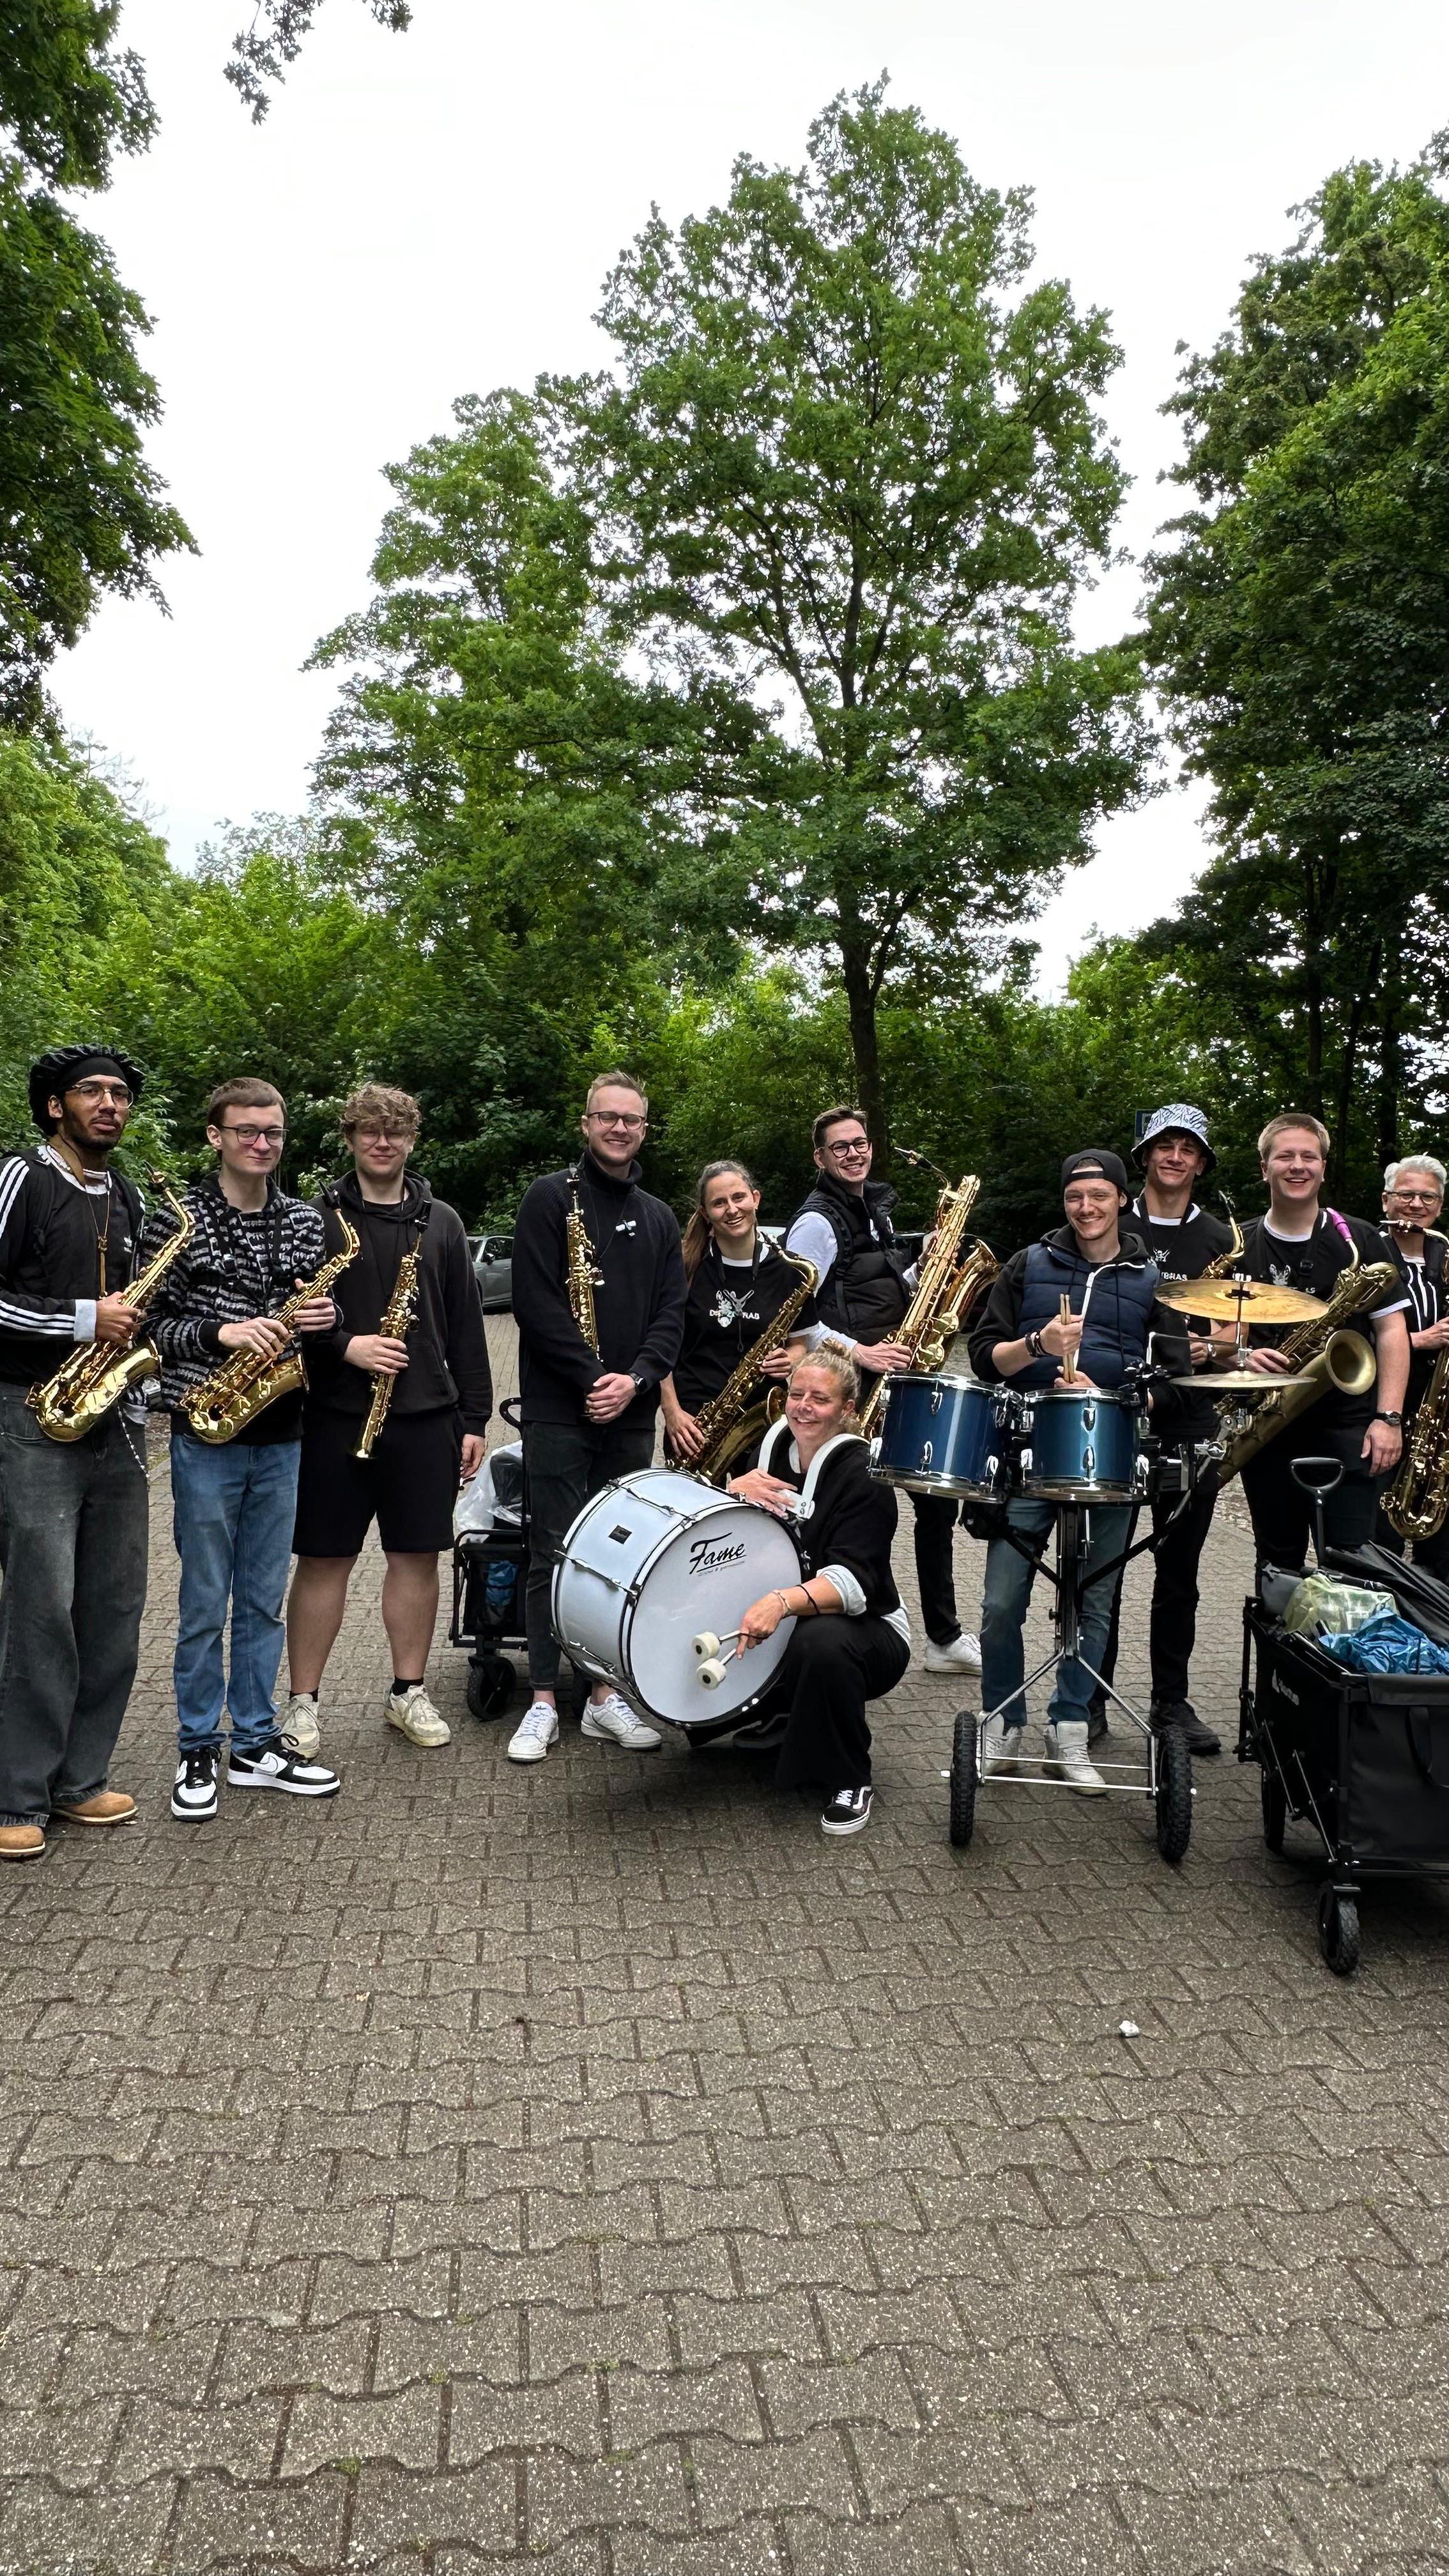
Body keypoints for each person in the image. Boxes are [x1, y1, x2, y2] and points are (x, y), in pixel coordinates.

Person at [144, 1078, 344, 1821]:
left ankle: (255, 1740)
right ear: (215, 1136)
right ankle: (197, 1742)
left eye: (275, 1132)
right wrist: (221, 1334)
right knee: (203, 1602)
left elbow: (314, 1315)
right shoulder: (180, 1220)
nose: (263, 1143)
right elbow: (143, 1326)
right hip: (207, 1432)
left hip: (282, 1431)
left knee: (262, 1601)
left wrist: (323, 1317)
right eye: (248, 1131)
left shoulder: (301, 1219)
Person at [968, 1149, 1190, 1792]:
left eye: (1098, 1196)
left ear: (1123, 1199)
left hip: (1111, 1452)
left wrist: (1122, 1395)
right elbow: (984, 1360)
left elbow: (1176, 1381)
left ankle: (1069, 1726)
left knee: (1094, 1603)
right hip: (1028, 1450)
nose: (1086, 1209)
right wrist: (1040, 1345)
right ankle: (1003, 1721)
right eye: (1074, 1198)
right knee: (1000, 1603)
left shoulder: (1152, 1278)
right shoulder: (1027, 1265)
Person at [283, 1084, 493, 1757]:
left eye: (395, 1132)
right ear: (350, 1137)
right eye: (370, 1131)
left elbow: (467, 1324)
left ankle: (407, 1691)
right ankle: (302, 1704)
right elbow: (291, 1315)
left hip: (425, 1416)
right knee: (323, 1561)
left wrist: (475, 1418)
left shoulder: (443, 1221)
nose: (383, 1142)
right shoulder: (313, 1218)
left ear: (411, 1140)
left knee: (415, 1558)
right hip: (334, 1413)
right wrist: (347, 1345)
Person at [507, 1070, 687, 1763]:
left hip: (630, 1411)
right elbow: (534, 1302)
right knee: (550, 1549)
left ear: (643, 1128)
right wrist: (592, 1380)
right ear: (585, 1124)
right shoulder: (550, 1198)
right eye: (606, 1117)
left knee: (617, 1555)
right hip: (560, 1407)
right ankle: (545, 1700)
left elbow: (672, 1314)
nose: (619, 1129)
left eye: (631, 1120)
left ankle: (605, 1697)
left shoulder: (661, 1215)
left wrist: (636, 1379)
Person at [0, 1046, 150, 1861]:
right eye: (92, 1092)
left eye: (121, 1094)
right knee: (39, 1611)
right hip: (29, 1415)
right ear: (55, 1105)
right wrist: (81, 1321)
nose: (110, 1105)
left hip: (114, 1416)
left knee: (114, 1607)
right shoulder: (22, 1177)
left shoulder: (122, 1193)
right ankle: (15, 1793)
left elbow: (132, 1308)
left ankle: (80, 1779)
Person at [785, 1106, 982, 1678]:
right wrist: (859, 1352)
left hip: (895, 1375)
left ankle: (942, 1638)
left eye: (861, 1143)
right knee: (852, 1506)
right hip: (856, 1385)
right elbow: (797, 1316)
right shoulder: (816, 1223)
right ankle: (849, 1619)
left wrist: (931, 1265)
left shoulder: (873, 1208)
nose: (854, 1153)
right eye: (840, 1147)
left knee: (936, 1498)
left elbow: (877, 1282)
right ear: (820, 1157)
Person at [1093, 1103, 1235, 1759]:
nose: (1176, 1157)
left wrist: (1218, 1349)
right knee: (1102, 1568)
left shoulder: (1219, 1237)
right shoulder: (1108, 1225)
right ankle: (1088, 1694)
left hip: (1192, 1417)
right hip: (1121, 1415)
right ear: (1146, 1155)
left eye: (1189, 1149)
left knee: (1180, 1571)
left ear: (1201, 1162)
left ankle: (1170, 1702)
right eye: (1164, 1146)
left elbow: (1239, 1327)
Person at [728, 1344, 910, 1837]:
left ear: (848, 1409)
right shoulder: (767, 1452)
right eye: (797, 1394)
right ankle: (779, 1720)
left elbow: (853, 1584)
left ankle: (850, 1776)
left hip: (869, 1629)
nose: (804, 1407)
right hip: (791, 1612)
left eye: (821, 1399)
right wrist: (730, 1492)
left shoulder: (866, 1475)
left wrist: (781, 1602)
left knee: (822, 1643)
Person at [1235, 1114, 1409, 1569]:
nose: (1298, 1166)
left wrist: (1389, 1419)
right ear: (1264, 1167)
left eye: (1309, 1156)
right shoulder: (1241, 1244)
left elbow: (1393, 1333)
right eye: (1285, 1156)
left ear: (1323, 1168)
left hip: (1350, 1430)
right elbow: (1220, 1335)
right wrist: (1244, 1355)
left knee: (1353, 1568)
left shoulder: (1362, 1239)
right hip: (1268, 1428)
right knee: (1277, 1567)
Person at [659, 1160, 815, 1468]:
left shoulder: (792, 1271)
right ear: (705, 1213)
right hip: (694, 1424)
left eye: (739, 1197)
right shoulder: (684, 1266)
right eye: (719, 1203)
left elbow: (800, 1343)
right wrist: (672, 1412)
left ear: (755, 1199)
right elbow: (661, 1345)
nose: (731, 1209)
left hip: (763, 1420)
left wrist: (792, 1359)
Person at [1375, 1153, 1449, 1581]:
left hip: (1436, 1414)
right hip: (1382, 1408)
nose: (1416, 1205)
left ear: (1439, 1206)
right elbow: (1343, 1337)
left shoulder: (1443, 1253)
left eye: (1428, 1197)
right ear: (1386, 1200)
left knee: (1440, 1547)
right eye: (1406, 1194)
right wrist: (1419, 1340)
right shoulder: (1366, 1250)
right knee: (1379, 1534)